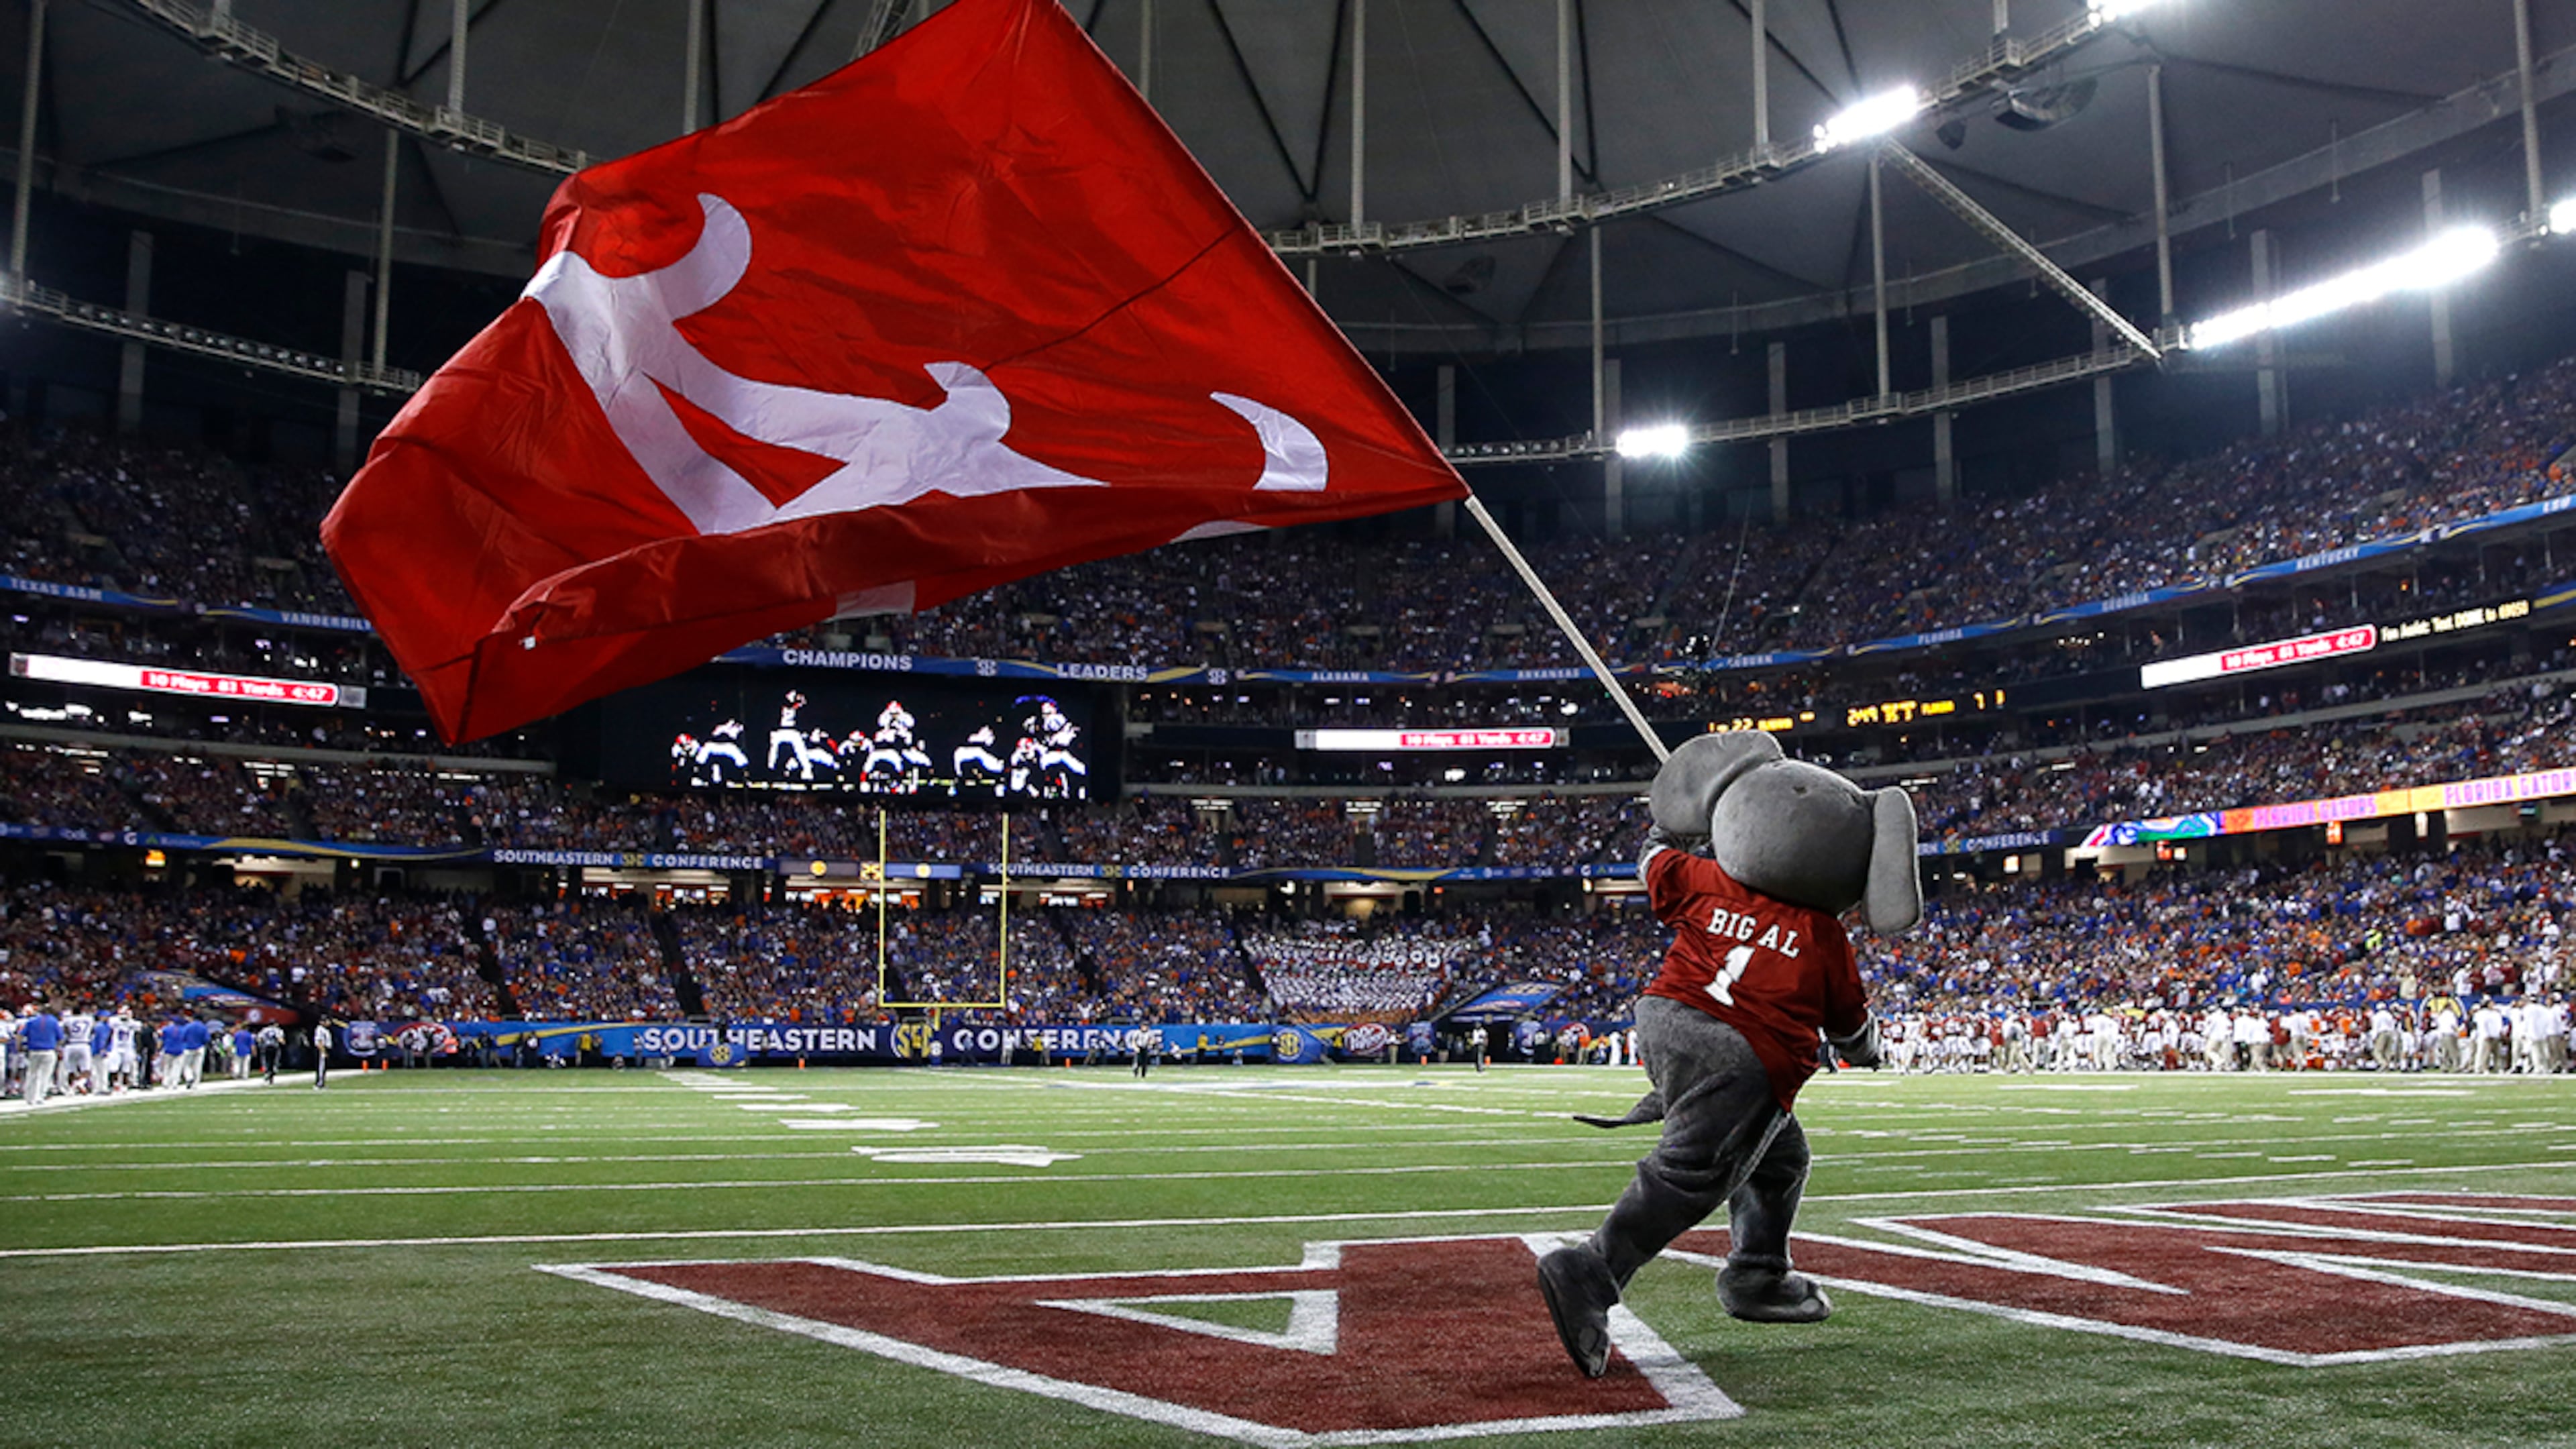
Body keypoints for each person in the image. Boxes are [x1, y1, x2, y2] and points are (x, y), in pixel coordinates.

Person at [17, 1002, 62, 1107]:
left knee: (32, 1074)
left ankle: (29, 1097)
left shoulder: (31, 1021)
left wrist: (19, 1047)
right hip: (48, 1050)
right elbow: (60, 1037)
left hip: (34, 1050)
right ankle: (40, 1096)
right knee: (45, 1075)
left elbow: (20, 1035)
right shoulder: (54, 1021)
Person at [312, 1020, 333, 1090]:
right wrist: (323, 1051)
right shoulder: (320, 1030)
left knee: (323, 1068)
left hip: (325, 1049)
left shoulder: (325, 1030)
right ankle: (319, 1084)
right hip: (321, 1049)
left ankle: (322, 1083)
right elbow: (320, 1041)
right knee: (321, 1067)